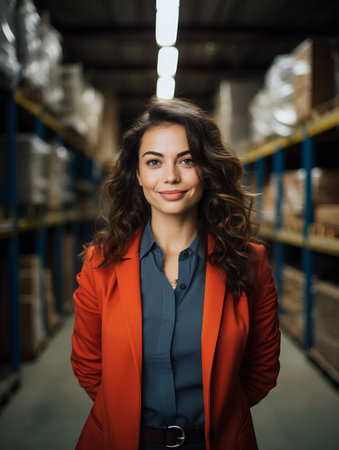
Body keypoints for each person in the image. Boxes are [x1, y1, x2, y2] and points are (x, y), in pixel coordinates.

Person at [71, 97, 280, 450]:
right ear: (137, 174)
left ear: (208, 169)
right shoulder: (100, 264)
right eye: (154, 162)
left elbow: (261, 371)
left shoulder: (249, 263)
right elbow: (88, 367)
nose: (171, 176)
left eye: (187, 160)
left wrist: (220, 414)